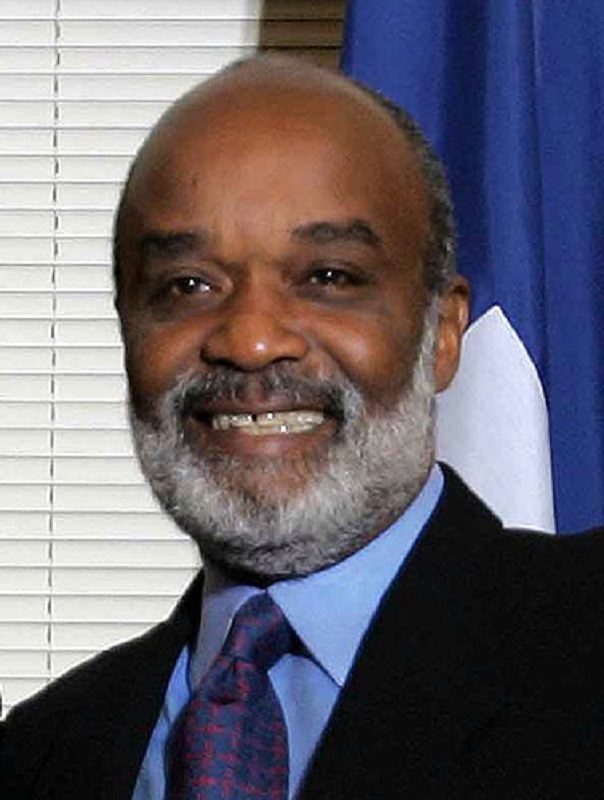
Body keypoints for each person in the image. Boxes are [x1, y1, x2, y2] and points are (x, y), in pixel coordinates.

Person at [2, 55, 604, 800]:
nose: (251, 340)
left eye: (328, 277)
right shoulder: (39, 755)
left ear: (443, 335)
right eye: (188, 285)